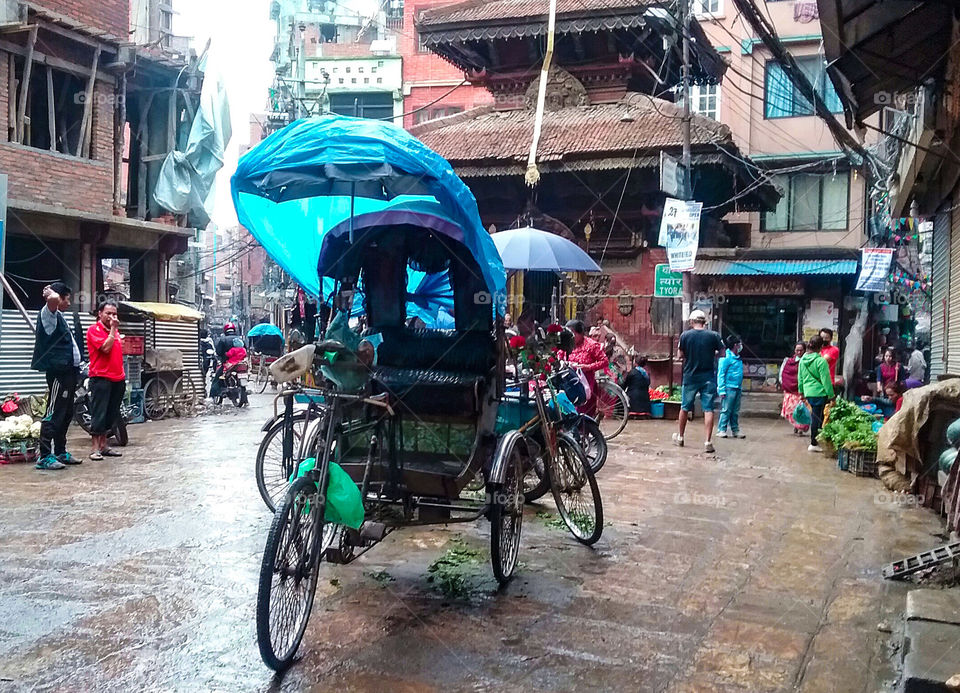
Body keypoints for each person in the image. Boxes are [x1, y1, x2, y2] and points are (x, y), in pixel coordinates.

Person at [31, 282, 84, 470]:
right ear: (59, 297)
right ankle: (45, 456)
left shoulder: (60, 316)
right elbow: (52, 299)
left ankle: (60, 452)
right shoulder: (49, 314)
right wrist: (51, 293)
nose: (69, 302)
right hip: (58, 374)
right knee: (53, 413)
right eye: (67, 298)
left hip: (69, 373)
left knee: (66, 413)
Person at [673, 310, 724, 453]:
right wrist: (712, 353)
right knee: (708, 409)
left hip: (690, 377)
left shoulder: (685, 336)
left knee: (684, 407)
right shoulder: (714, 336)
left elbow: (680, 355)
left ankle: (681, 437)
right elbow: (723, 353)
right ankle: (708, 441)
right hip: (708, 377)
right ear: (705, 322)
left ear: (691, 322)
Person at [85, 300, 126, 461]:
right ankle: (95, 448)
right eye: (108, 313)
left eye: (114, 314)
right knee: (99, 414)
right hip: (101, 378)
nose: (112, 316)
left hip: (117, 378)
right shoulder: (94, 330)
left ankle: (104, 446)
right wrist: (114, 329)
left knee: (111, 414)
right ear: (100, 314)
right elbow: (105, 348)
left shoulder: (114, 331)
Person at [798, 335, 835, 453]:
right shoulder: (821, 361)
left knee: (815, 416)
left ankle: (815, 441)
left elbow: (800, 378)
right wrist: (831, 395)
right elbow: (826, 380)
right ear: (821, 347)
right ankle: (814, 443)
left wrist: (801, 392)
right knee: (817, 418)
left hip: (809, 392)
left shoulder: (802, 360)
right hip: (820, 393)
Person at [565, 319, 608, 416]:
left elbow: (604, 361)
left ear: (580, 333)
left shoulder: (591, 345)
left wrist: (588, 367)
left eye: (573, 334)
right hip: (568, 383)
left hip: (586, 385)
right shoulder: (566, 345)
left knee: (582, 414)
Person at [717, 335, 745, 439]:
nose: (741, 346)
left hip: (737, 387)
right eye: (739, 344)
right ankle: (722, 429)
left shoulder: (737, 357)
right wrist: (721, 389)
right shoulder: (726, 357)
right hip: (728, 388)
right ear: (735, 345)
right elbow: (721, 374)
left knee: (735, 411)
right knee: (726, 410)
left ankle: (735, 430)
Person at [780, 341, 808, 435]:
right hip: (790, 391)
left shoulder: (807, 361)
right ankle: (796, 426)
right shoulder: (788, 361)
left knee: (801, 410)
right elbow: (784, 374)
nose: (799, 352)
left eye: (801, 350)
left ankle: (800, 428)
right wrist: (785, 385)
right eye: (797, 350)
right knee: (792, 410)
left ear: (804, 350)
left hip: (801, 391)